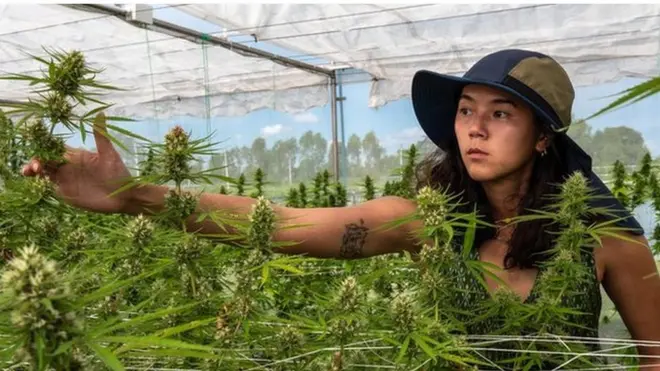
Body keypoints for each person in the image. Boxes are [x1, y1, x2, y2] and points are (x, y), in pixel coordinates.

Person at [22, 49, 660, 368]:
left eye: (501, 113)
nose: (476, 127)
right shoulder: (425, 222)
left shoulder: (607, 240)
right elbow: (283, 224)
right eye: (467, 110)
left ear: (544, 136)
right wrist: (135, 197)